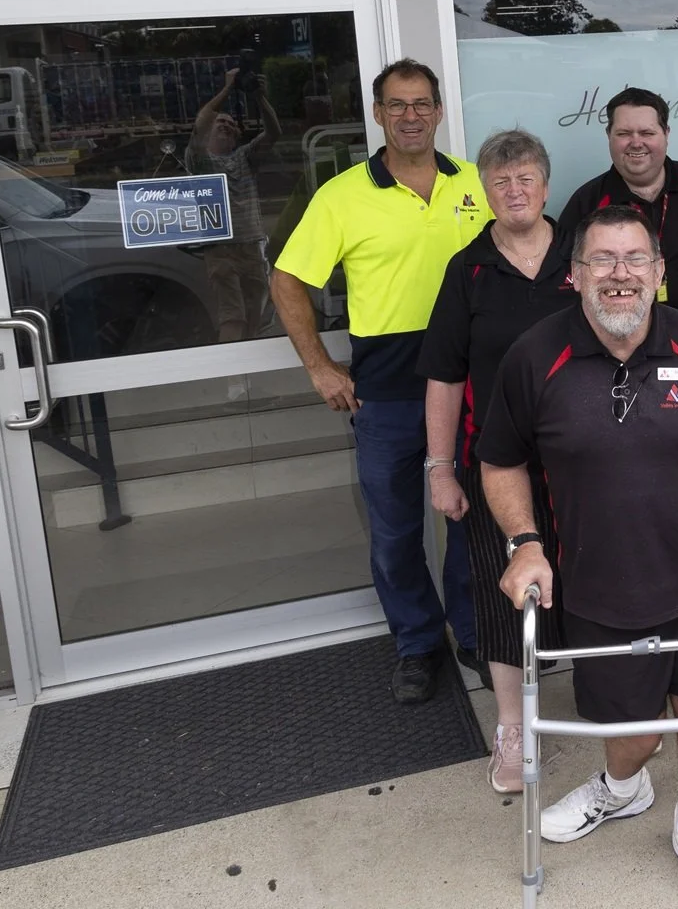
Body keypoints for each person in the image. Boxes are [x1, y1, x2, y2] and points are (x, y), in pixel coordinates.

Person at [478, 206, 678, 909]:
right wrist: (525, 544)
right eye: (603, 261)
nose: (620, 276)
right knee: (633, 732)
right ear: (575, 275)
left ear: (659, 272)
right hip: (597, 586)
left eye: (634, 260)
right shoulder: (535, 357)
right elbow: (499, 462)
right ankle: (622, 788)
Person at [271, 58, 487, 705]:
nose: (411, 115)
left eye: (422, 103)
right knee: (395, 533)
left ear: (440, 110)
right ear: (378, 114)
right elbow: (287, 279)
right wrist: (319, 365)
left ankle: (473, 632)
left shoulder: (475, 183)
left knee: (470, 520)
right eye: (397, 105)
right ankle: (418, 644)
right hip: (388, 389)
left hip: (471, 385)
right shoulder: (341, 195)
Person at [416, 129, 577, 792]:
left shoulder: (586, 253)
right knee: (502, 589)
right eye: (500, 181)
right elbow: (445, 378)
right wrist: (440, 468)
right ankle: (513, 731)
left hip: (589, 459)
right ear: (484, 192)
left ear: (545, 184)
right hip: (497, 464)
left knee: (601, 582)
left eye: (525, 179)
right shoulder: (468, 270)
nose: (514, 191)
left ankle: (610, 700)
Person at [556, 87, 678, 315]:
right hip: (620, 344)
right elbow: (564, 282)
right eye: (624, 133)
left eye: (647, 133)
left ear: (666, 133)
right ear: (609, 135)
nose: (636, 143)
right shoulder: (587, 203)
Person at [188, 67, 283, 347]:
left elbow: (274, 132)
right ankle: (233, 384)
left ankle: (246, 380)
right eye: (221, 123)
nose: (226, 125)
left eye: (231, 124)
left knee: (256, 314)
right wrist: (227, 90)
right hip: (221, 248)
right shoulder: (199, 160)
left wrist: (259, 97)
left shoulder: (245, 157)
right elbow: (200, 123)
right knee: (233, 315)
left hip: (251, 245)